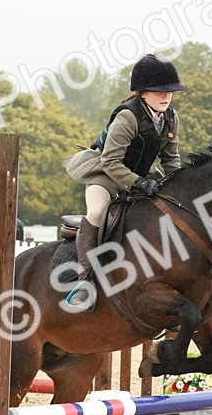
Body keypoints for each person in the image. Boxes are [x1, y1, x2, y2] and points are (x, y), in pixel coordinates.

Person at [63, 54, 184, 312]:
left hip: (142, 176)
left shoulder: (171, 119)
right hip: (105, 174)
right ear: (142, 92)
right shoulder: (128, 117)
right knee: (97, 212)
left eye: (170, 91)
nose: (166, 96)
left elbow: (171, 160)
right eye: (159, 91)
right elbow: (110, 162)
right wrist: (139, 183)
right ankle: (84, 281)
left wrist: (179, 188)